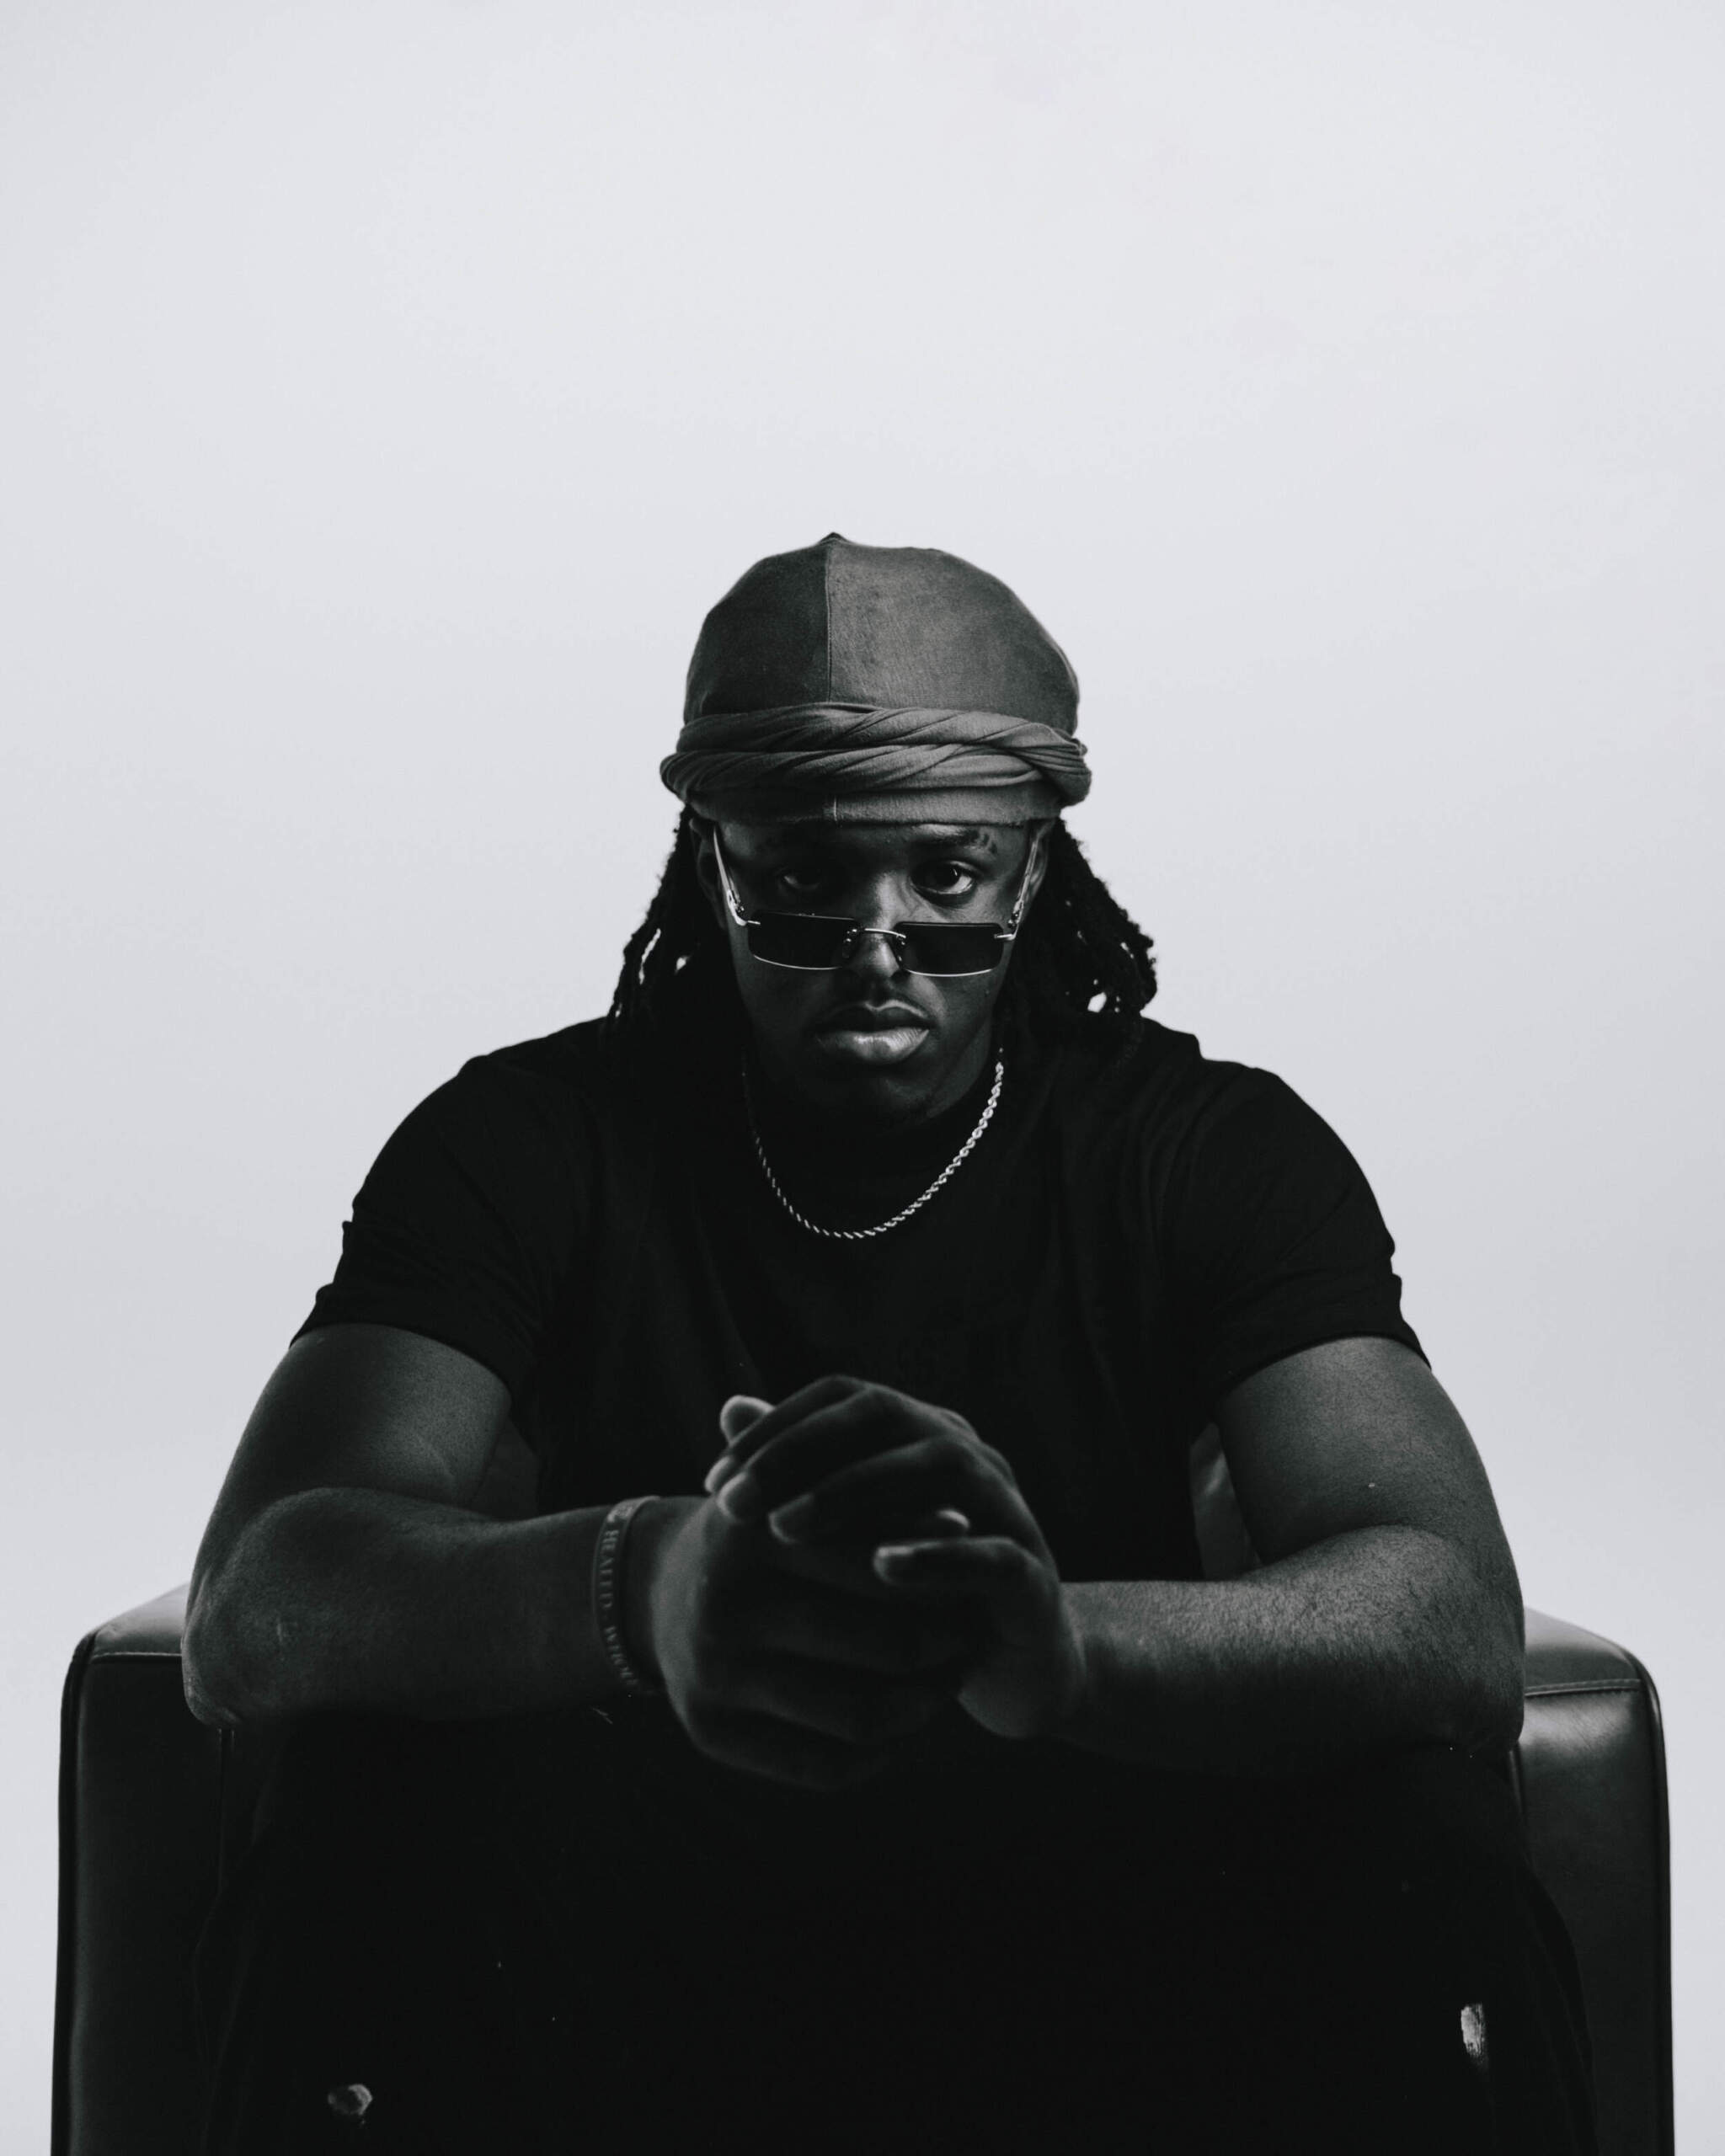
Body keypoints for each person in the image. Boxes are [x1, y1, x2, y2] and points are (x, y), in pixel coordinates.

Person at [184, 532, 1597, 2153]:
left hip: (1108, 1922)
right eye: (802, 880)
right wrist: (647, 1580)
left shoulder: (1212, 1156)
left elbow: (1447, 1612)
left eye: (947, 876)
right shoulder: (525, 1144)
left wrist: (1062, 1649)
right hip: (626, 1936)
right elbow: (256, 1604)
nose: (877, 945)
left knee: (1421, 1812)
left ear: (1036, 869)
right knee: (351, 1801)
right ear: (710, 860)